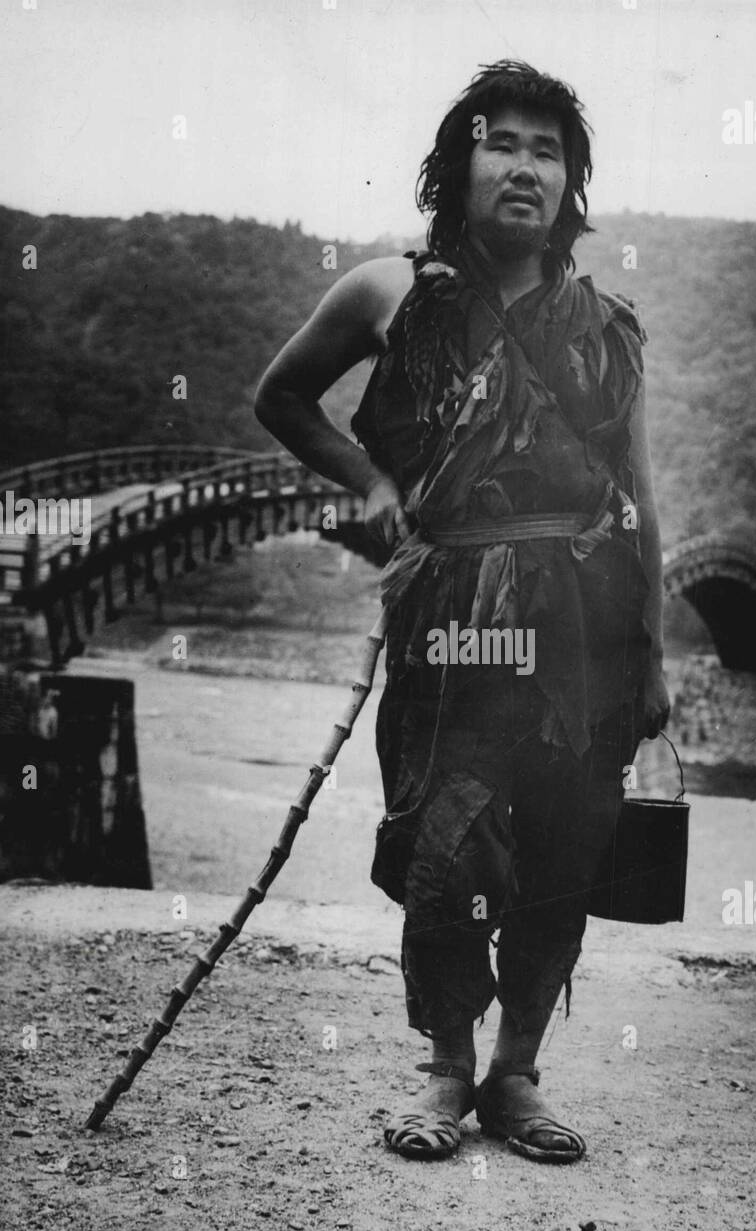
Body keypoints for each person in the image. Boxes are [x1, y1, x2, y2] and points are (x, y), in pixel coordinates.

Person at [254, 60, 670, 1164]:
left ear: (570, 183)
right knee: (446, 842)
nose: (524, 166)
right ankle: (444, 1070)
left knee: (568, 842)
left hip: (586, 625)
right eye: (503, 144)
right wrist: (373, 485)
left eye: (547, 150)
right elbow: (280, 395)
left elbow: (639, 502)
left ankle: (515, 1075)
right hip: (451, 613)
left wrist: (655, 657)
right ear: (460, 164)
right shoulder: (389, 291)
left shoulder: (604, 326)